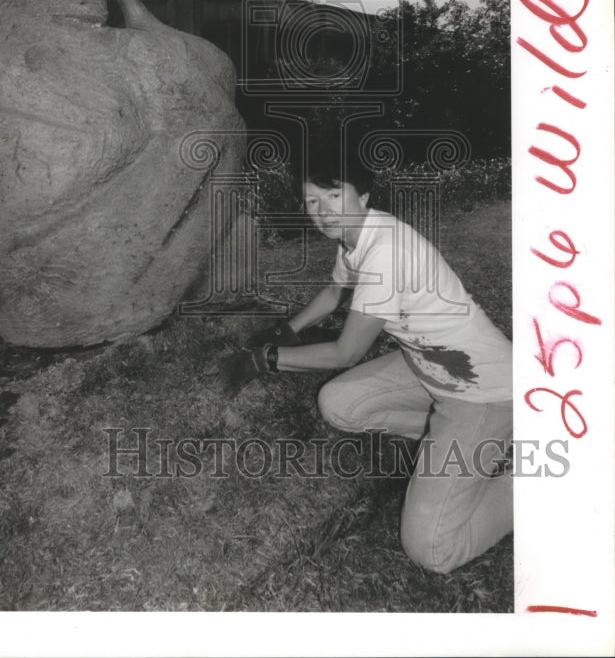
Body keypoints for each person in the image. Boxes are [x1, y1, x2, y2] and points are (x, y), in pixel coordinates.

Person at [219, 147, 513, 574]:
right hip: (427, 367)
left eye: (333, 196)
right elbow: (336, 291)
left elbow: (347, 351)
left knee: (432, 549)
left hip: (484, 392)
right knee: (339, 404)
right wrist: (288, 329)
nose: (321, 211)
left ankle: (512, 471)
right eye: (311, 202)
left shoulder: (385, 250)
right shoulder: (355, 238)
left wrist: (266, 359)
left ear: (364, 196)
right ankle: (456, 448)